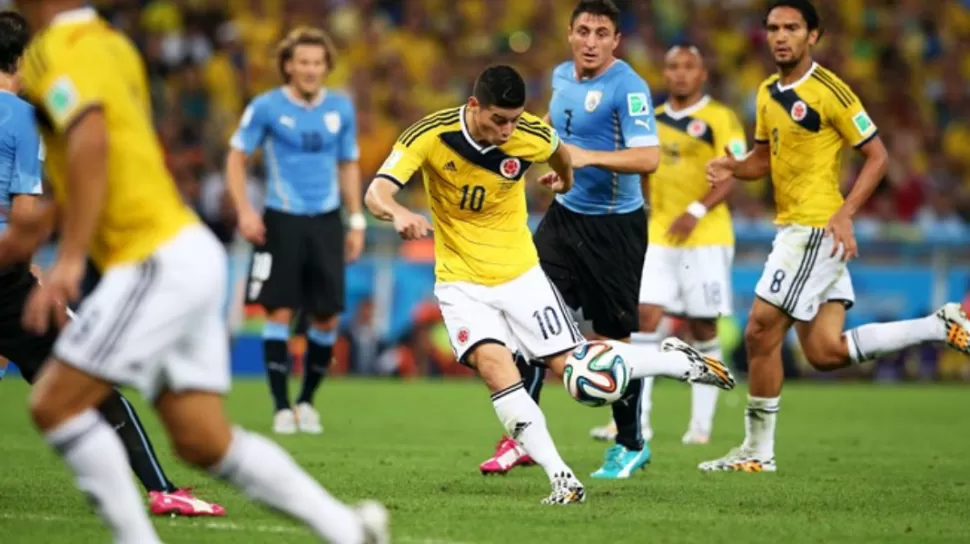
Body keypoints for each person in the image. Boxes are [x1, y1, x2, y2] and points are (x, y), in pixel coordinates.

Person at [8, 3, 388, 543]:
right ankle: (348, 529)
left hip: (152, 257)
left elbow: (90, 140)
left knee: (54, 403)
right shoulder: (112, 44)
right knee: (203, 440)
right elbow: (101, 155)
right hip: (184, 250)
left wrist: (67, 258)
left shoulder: (59, 53)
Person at [364, 64, 735, 504]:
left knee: (579, 379)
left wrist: (566, 180)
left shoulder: (532, 134)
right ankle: (562, 478)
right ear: (474, 106)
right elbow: (376, 193)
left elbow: (562, 157)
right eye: (498, 120)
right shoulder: (430, 134)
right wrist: (399, 213)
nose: (507, 130)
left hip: (521, 275)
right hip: (460, 282)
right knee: (495, 368)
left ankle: (673, 361)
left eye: (514, 120)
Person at [700, 0, 970, 473]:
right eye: (772, 28)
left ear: (813, 36)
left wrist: (845, 214)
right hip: (795, 226)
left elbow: (879, 156)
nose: (780, 36)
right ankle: (938, 325)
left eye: (792, 28)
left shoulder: (831, 91)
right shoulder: (766, 92)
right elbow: (764, 160)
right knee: (824, 352)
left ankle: (757, 452)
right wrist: (734, 168)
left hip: (814, 228)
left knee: (760, 331)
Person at [0, 10, 223, 518]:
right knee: (92, 384)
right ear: (20, 60)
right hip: (6, 275)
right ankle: (160, 489)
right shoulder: (22, 117)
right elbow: (27, 212)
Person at [479, 0, 661, 480]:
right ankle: (521, 436)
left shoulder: (629, 88)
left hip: (614, 228)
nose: (591, 41)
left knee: (613, 339)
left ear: (615, 40)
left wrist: (585, 158)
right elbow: (555, 137)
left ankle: (629, 442)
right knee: (530, 319)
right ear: (570, 34)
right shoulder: (560, 77)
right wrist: (560, 172)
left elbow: (649, 158)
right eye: (584, 31)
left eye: (602, 33)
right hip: (564, 220)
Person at [588, 44, 747, 447]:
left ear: (702, 74)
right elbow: (638, 168)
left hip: (706, 237)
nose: (679, 74)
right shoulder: (652, 121)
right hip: (659, 234)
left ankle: (701, 426)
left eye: (688, 67)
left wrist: (694, 209)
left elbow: (735, 172)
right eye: (672, 66)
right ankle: (635, 422)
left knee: (703, 326)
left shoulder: (720, 118)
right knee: (644, 317)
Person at [226, 26, 364, 435]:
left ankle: (306, 401)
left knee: (325, 316)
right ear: (288, 65)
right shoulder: (266, 107)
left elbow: (349, 164)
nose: (309, 69)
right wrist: (244, 211)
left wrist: (355, 220)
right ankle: (281, 406)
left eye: (317, 63)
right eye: (302, 62)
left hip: (326, 219)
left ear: (326, 67)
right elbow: (236, 158)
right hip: (281, 217)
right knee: (279, 311)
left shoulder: (341, 108)